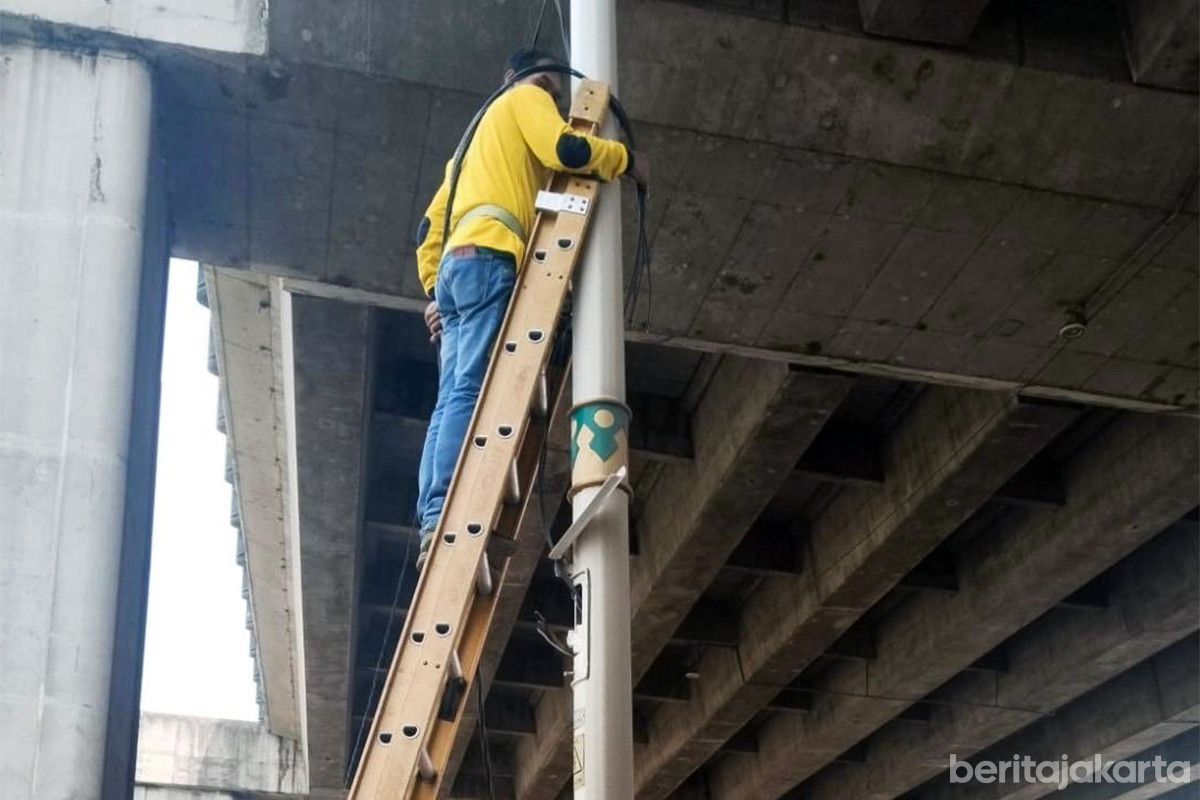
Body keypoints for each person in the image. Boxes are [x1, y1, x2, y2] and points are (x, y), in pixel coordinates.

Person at [413, 48, 649, 569]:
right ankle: (446, 517)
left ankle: (433, 515)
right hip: (491, 258)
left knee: (452, 395)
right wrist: (624, 160)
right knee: (472, 390)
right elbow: (565, 148)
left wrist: (434, 291)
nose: (553, 96)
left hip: (457, 267)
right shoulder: (525, 97)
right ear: (529, 78)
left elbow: (430, 228)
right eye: (551, 87)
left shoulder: (469, 145)